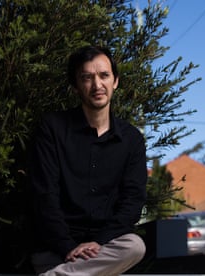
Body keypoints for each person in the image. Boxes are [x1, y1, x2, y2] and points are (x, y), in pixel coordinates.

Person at [30, 45, 147, 276]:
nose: (97, 85)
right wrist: (69, 248)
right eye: (87, 78)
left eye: (104, 76)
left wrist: (98, 243)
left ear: (115, 82)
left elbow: (132, 203)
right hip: (55, 250)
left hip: (103, 252)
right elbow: (44, 197)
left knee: (135, 246)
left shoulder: (132, 139)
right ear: (75, 86)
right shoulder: (52, 128)